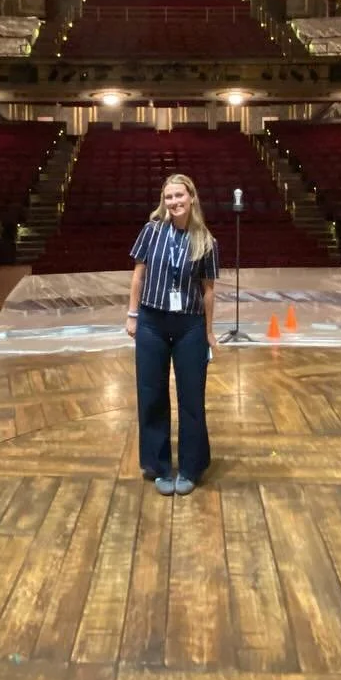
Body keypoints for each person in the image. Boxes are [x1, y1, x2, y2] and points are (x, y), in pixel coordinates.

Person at [125, 173, 220, 495]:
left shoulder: (206, 241)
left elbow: (208, 291)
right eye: (168, 197)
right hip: (151, 322)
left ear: (191, 197)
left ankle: (191, 467)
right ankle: (158, 465)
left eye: (179, 196)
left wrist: (208, 332)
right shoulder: (151, 232)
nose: (174, 202)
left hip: (190, 325)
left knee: (192, 398)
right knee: (151, 393)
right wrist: (132, 315)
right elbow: (138, 276)